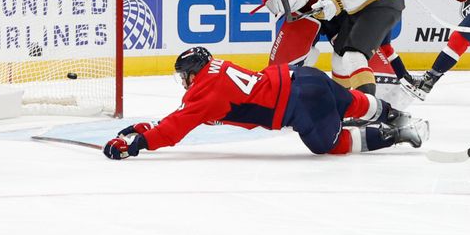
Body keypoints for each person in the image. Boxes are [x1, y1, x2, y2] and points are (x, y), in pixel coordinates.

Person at [103, 48, 428, 160]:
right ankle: (394, 114)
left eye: (184, 76)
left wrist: (137, 145)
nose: (184, 83)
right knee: (348, 102)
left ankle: (399, 135)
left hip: (298, 105)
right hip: (304, 76)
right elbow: (181, 117)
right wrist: (145, 128)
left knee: (326, 146)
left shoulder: (204, 93)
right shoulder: (220, 68)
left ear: (191, 74)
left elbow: (177, 127)